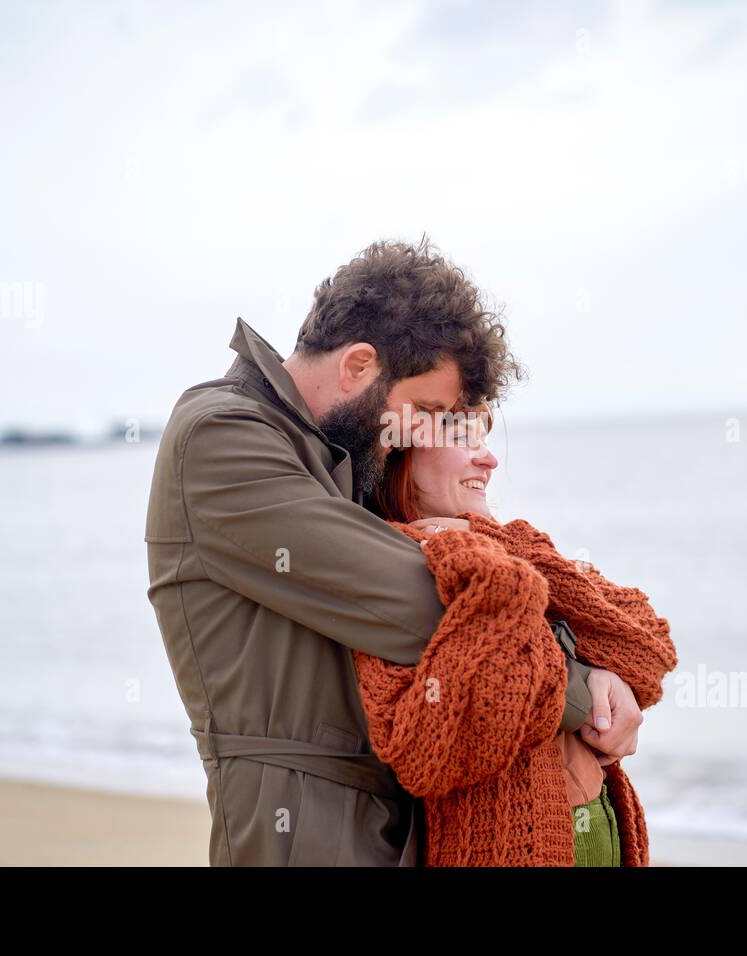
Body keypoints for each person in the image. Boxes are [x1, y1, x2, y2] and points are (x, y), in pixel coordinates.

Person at [144, 237, 645, 865]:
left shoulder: (339, 456)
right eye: (427, 411)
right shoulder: (220, 438)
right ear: (358, 365)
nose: (423, 434)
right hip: (304, 837)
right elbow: (421, 603)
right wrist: (587, 694)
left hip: (390, 828)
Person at [355, 406, 677, 865]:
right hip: (511, 846)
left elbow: (646, 647)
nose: (488, 459)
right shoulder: (391, 566)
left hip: (602, 823)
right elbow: (431, 750)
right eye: (461, 437)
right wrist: (587, 675)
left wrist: (484, 538)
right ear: (397, 449)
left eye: (483, 439)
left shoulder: (503, 546)